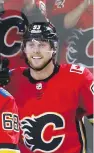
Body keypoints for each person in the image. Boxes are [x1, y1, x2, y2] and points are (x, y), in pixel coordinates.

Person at [6, 22, 93, 153]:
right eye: (31, 45)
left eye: (42, 44)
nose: (36, 50)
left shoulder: (78, 77)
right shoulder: (11, 80)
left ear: (53, 48)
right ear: (24, 48)